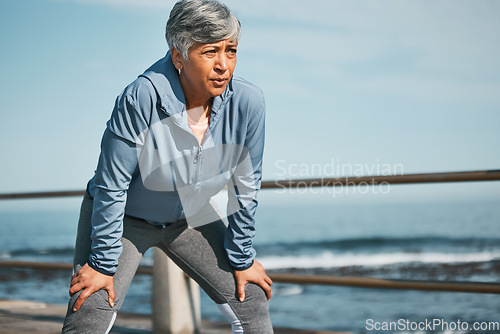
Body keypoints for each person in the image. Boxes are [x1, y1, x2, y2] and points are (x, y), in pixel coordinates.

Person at [61, 0, 274, 333]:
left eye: (230, 51)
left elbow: (246, 184)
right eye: (209, 52)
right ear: (179, 56)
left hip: (189, 217)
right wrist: (102, 265)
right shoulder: (141, 96)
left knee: (252, 302)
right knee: (89, 308)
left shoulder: (248, 102)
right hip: (124, 216)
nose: (223, 65)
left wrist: (242, 259)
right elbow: (112, 184)